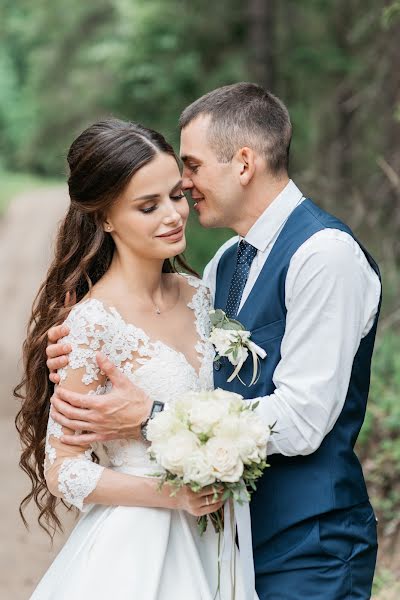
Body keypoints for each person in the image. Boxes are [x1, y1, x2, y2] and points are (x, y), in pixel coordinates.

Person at [46, 83, 382, 599]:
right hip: (223, 545)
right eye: (151, 201)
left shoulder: (325, 256)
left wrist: (152, 416)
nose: (183, 189)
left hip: (309, 542)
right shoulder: (224, 266)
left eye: (190, 171)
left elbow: (304, 419)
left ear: (243, 163)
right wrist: (84, 347)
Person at [16, 118, 258, 600]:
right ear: (105, 218)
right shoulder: (91, 325)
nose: (172, 215)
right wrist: (173, 495)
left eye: (174, 195)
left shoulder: (199, 293)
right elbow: (63, 468)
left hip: (217, 539)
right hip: (137, 546)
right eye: (148, 206)